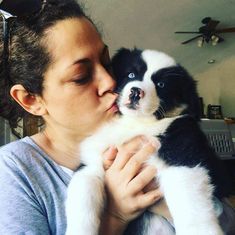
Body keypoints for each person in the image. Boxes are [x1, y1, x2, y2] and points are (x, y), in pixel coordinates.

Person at [0, 1, 234, 235]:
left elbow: (227, 219)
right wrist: (114, 216)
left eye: (106, 62)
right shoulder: (14, 171)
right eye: (81, 76)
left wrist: (165, 198)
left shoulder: (154, 128)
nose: (110, 82)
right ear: (31, 100)